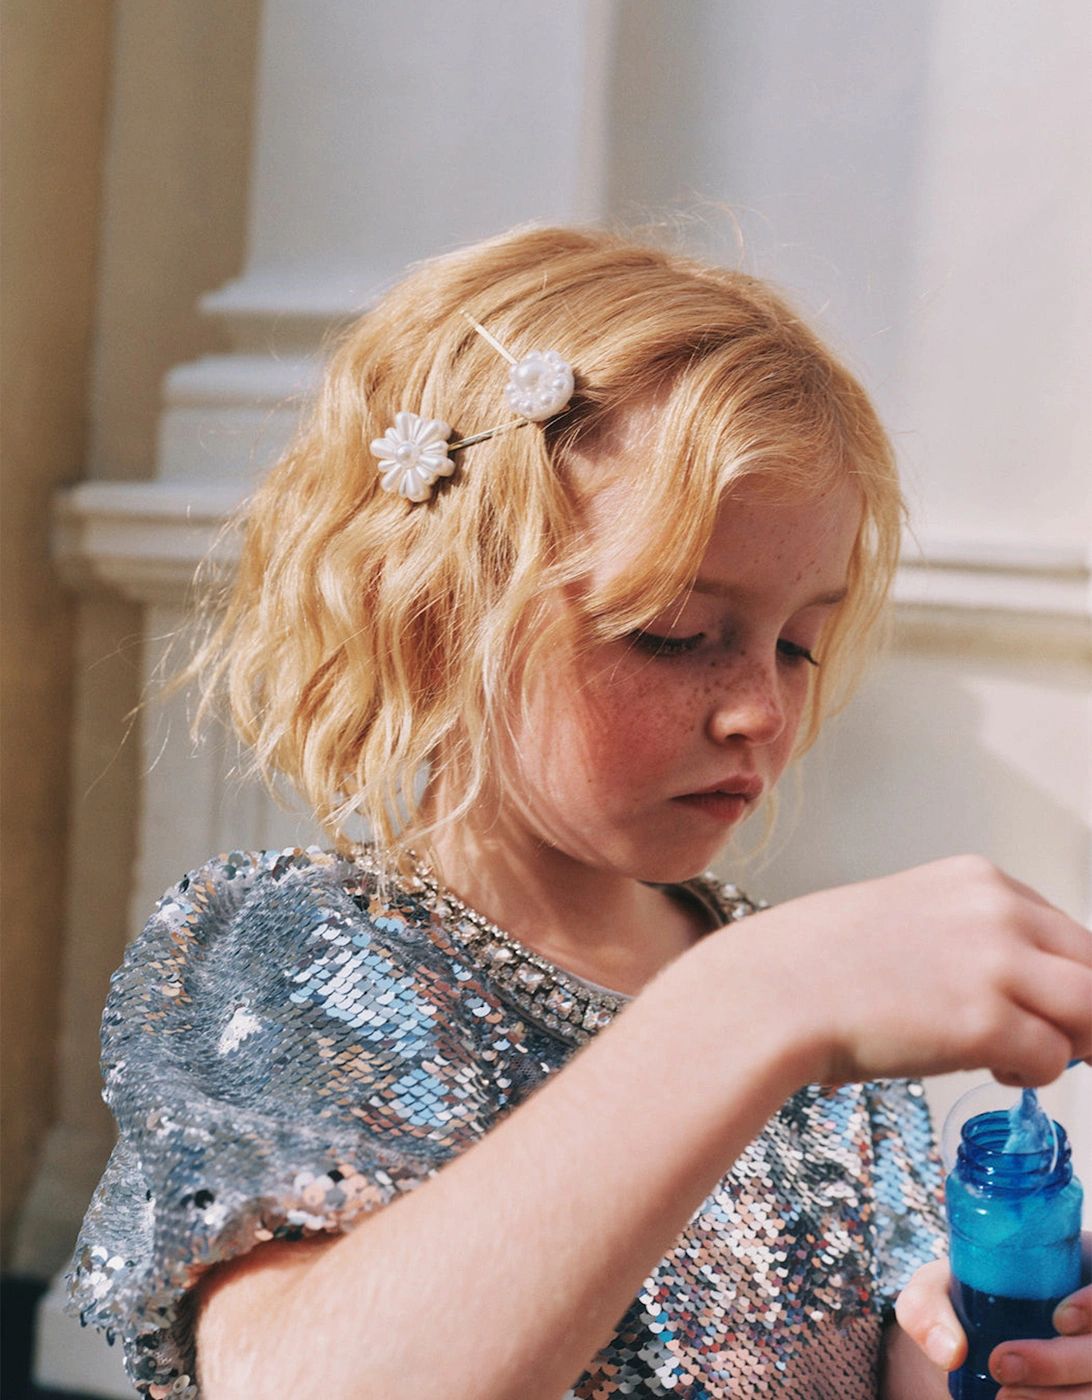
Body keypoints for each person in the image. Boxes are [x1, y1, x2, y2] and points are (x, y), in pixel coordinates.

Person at [68, 225, 1091, 1400]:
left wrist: (997, 1347)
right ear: (437, 616)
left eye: (800, 643)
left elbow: (899, 1358)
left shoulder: (829, 1042)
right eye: (675, 633)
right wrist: (752, 998)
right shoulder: (295, 955)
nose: (760, 706)